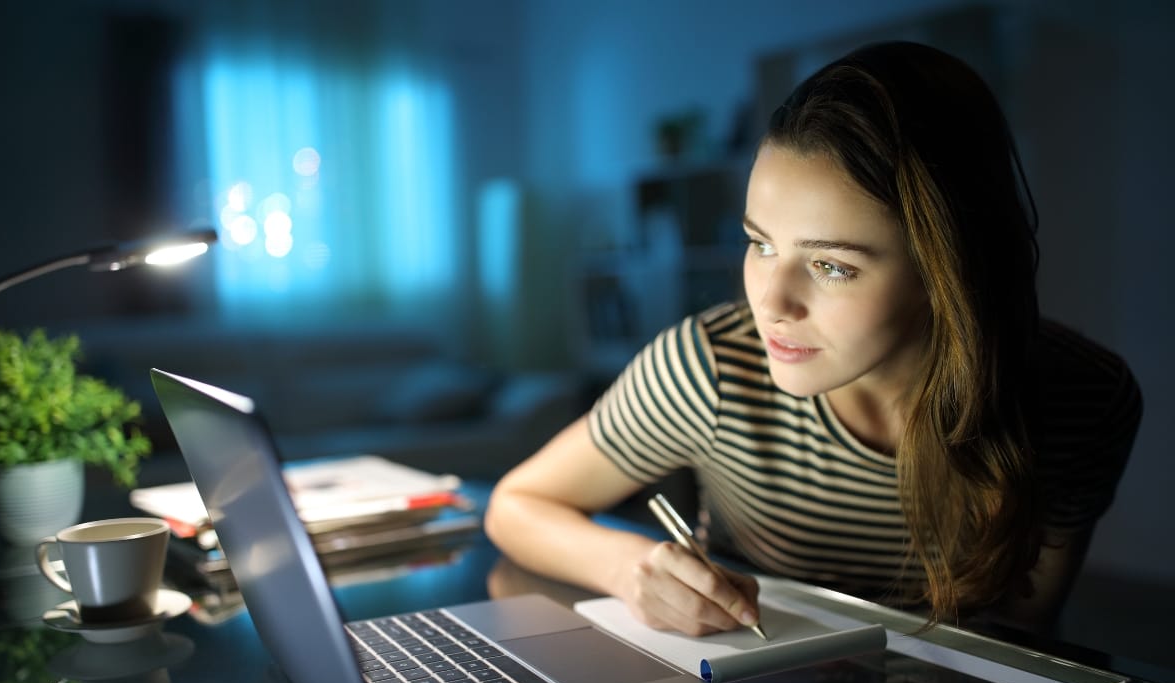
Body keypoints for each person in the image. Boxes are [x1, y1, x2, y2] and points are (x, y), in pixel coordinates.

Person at [484, 40, 1142, 638]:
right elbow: (514, 505)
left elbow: (1019, 646)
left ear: (947, 270)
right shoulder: (709, 368)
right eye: (759, 243)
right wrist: (630, 569)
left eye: (831, 266)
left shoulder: (1079, 401)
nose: (769, 303)